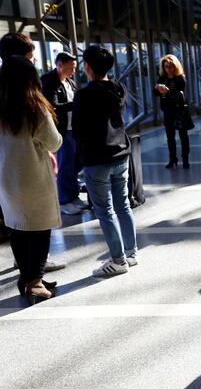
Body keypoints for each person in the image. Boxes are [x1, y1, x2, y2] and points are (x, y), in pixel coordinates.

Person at [0, 32, 67, 273]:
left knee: (16, 228)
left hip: (6, 180)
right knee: (39, 230)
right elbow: (54, 142)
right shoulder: (34, 107)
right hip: (33, 180)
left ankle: (26, 276)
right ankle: (34, 280)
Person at [72, 45, 139, 277]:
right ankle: (131, 253)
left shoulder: (84, 94)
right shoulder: (119, 88)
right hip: (120, 154)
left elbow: (78, 129)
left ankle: (118, 260)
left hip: (97, 158)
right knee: (123, 205)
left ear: (87, 67)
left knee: (105, 211)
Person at [41, 51, 89, 215]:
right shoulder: (49, 81)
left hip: (73, 128)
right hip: (62, 130)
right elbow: (51, 104)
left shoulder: (68, 81)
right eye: (71, 68)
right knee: (65, 164)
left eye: (75, 68)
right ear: (59, 65)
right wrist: (75, 104)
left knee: (74, 164)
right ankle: (64, 200)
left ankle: (73, 195)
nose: (73, 71)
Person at [154, 54, 191, 169]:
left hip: (179, 111)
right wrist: (159, 89)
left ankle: (185, 159)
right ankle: (172, 159)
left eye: (171, 66)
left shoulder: (180, 78)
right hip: (167, 111)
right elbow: (155, 92)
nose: (168, 69)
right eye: (166, 67)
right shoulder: (162, 78)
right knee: (170, 137)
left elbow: (180, 94)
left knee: (183, 136)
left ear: (175, 67)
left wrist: (166, 92)